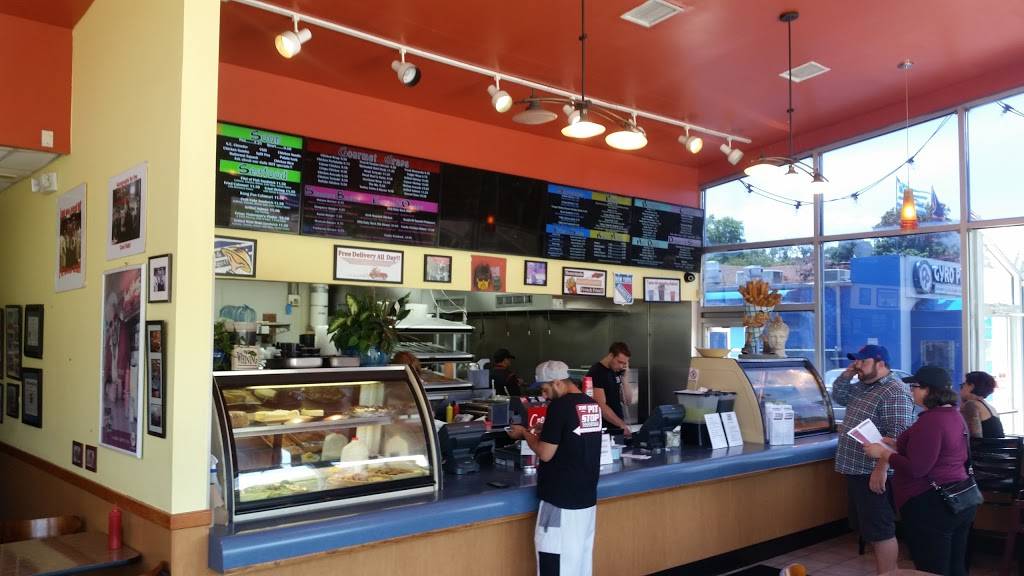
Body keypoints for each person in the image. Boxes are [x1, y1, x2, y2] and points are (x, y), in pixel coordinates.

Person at [864, 365, 977, 576]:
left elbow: (917, 468)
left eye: (915, 387)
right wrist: (897, 444)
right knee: (955, 566)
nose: (911, 391)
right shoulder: (953, 414)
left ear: (929, 390)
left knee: (932, 568)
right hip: (959, 499)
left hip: (932, 504)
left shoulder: (931, 421)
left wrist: (884, 453)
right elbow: (940, 451)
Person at [508, 361, 602, 576]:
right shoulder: (591, 404)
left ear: (558, 382)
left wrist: (524, 434)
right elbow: (574, 437)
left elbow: (545, 453)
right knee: (579, 565)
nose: (544, 395)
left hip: (560, 502)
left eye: (545, 389)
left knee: (555, 564)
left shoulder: (560, 406)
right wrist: (547, 428)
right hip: (586, 501)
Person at [831, 344, 914, 575]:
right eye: (856, 361)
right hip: (856, 468)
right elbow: (839, 396)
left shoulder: (894, 391)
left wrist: (881, 469)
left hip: (873, 471)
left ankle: (888, 573)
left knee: (880, 530)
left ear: (881, 363)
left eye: (863, 361)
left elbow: (898, 438)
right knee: (871, 529)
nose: (858, 365)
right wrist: (847, 374)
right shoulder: (862, 386)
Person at [586, 342, 633, 439]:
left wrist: (625, 379)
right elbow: (600, 405)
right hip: (606, 428)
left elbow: (628, 401)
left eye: (624, 363)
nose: (621, 366)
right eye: (619, 362)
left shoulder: (616, 371)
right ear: (611, 355)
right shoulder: (597, 372)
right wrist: (622, 425)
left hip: (617, 426)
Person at [959, 370, 1004, 439]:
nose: (960, 389)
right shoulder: (989, 407)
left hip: (985, 445)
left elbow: (974, 436)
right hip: (996, 445)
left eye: (963, 385)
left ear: (971, 386)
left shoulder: (971, 405)